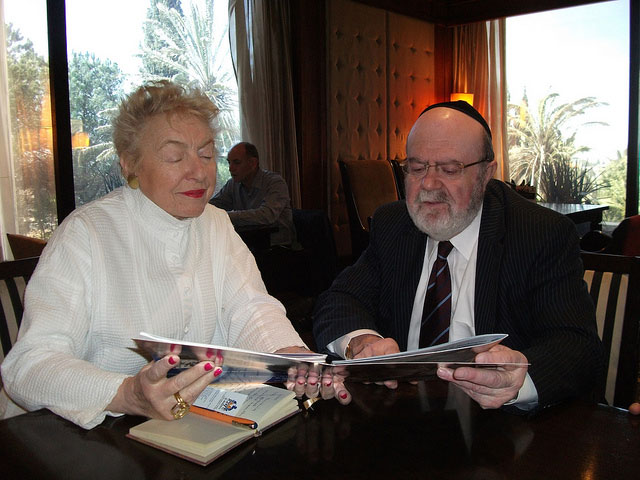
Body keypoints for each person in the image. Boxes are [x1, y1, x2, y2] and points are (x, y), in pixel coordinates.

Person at [0, 80, 348, 430]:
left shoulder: (215, 223)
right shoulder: (86, 234)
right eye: (175, 156)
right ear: (129, 164)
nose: (199, 171)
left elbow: (249, 306)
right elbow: (29, 365)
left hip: (199, 426)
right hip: (96, 438)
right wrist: (126, 393)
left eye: (207, 154)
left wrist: (288, 354)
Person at [313, 100, 603, 412]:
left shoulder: (540, 233)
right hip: (401, 421)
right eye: (415, 167)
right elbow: (340, 299)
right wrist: (363, 342)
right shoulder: (393, 224)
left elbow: (577, 346)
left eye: (450, 169)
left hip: (502, 431)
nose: (428, 184)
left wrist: (520, 379)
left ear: (486, 173)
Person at [210, 142, 295, 246]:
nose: (230, 168)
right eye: (229, 162)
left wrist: (225, 216)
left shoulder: (275, 182)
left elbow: (267, 216)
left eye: (236, 162)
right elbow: (213, 206)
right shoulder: (233, 184)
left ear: (253, 163)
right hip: (250, 244)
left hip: (278, 248)